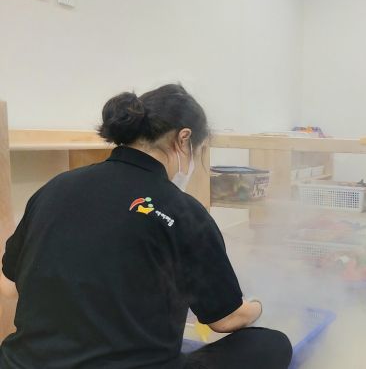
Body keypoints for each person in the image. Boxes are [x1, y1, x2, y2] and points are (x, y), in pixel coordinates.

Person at [0, 84, 292, 369]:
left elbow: (10, 286)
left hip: (19, 362)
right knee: (271, 344)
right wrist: (258, 305)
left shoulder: (55, 187)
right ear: (183, 138)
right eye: (197, 151)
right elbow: (225, 320)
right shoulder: (182, 210)